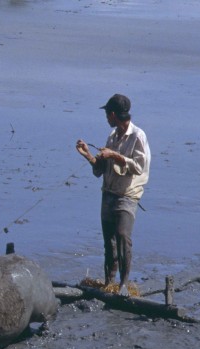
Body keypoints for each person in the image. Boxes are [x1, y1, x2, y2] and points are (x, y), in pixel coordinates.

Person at [76, 93, 151, 296]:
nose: (106, 119)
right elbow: (101, 168)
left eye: (107, 115)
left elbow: (139, 167)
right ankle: (109, 283)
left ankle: (124, 285)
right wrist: (88, 155)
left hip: (127, 195)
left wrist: (115, 155)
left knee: (122, 237)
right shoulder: (112, 136)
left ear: (113, 114)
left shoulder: (138, 137)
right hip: (108, 194)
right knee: (108, 241)